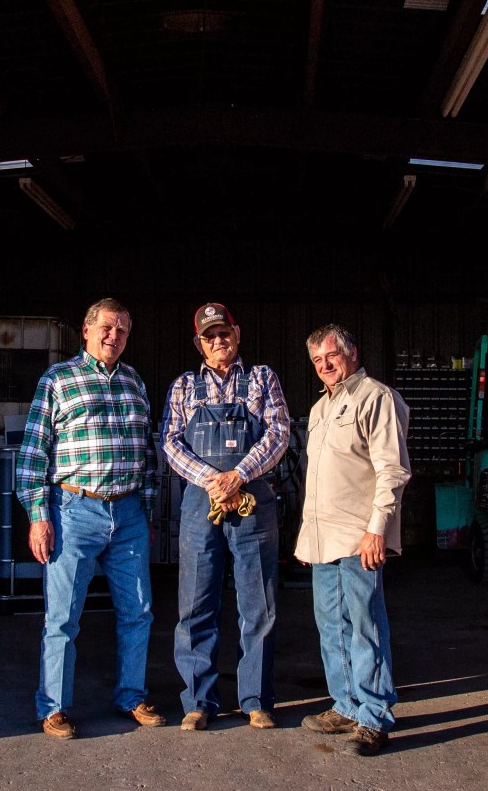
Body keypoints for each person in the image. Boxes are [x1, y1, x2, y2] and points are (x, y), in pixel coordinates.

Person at [15, 298, 164, 740]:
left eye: (122, 330)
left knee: (138, 612)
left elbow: (148, 453)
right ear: (86, 330)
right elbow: (32, 453)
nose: (113, 336)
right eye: (106, 327)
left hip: (129, 511)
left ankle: (132, 695)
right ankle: (54, 707)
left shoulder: (135, 381)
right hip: (74, 511)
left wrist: (146, 510)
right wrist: (39, 516)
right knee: (62, 618)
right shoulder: (58, 379)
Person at [160, 302, 291, 732]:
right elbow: (170, 442)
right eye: (209, 336)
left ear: (237, 334)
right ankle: (199, 701)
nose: (218, 340)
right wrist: (212, 480)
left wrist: (239, 475)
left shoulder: (262, 378)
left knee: (259, 604)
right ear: (198, 342)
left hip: (253, 497)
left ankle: (256, 700)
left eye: (224, 332)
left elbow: (279, 432)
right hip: (203, 502)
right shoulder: (184, 386)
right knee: (196, 603)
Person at [294, 322, 411, 757]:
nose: (325, 365)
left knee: (365, 625)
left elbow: (392, 469)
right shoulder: (321, 409)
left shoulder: (376, 398)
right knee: (331, 625)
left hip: (359, 537)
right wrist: (308, 538)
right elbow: (318, 479)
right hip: (323, 539)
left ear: (353, 354)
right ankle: (345, 705)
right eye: (317, 360)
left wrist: (376, 529)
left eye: (332, 356)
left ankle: (374, 716)